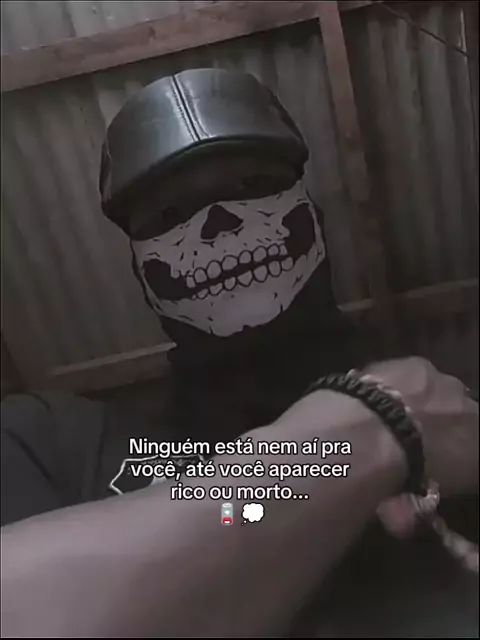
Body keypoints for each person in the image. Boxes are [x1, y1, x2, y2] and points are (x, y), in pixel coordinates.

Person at [1, 69, 478, 638]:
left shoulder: (459, 414)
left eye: (255, 184)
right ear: (140, 272)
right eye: (169, 215)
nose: (220, 224)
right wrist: (371, 430)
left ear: (315, 219)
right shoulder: (50, 447)